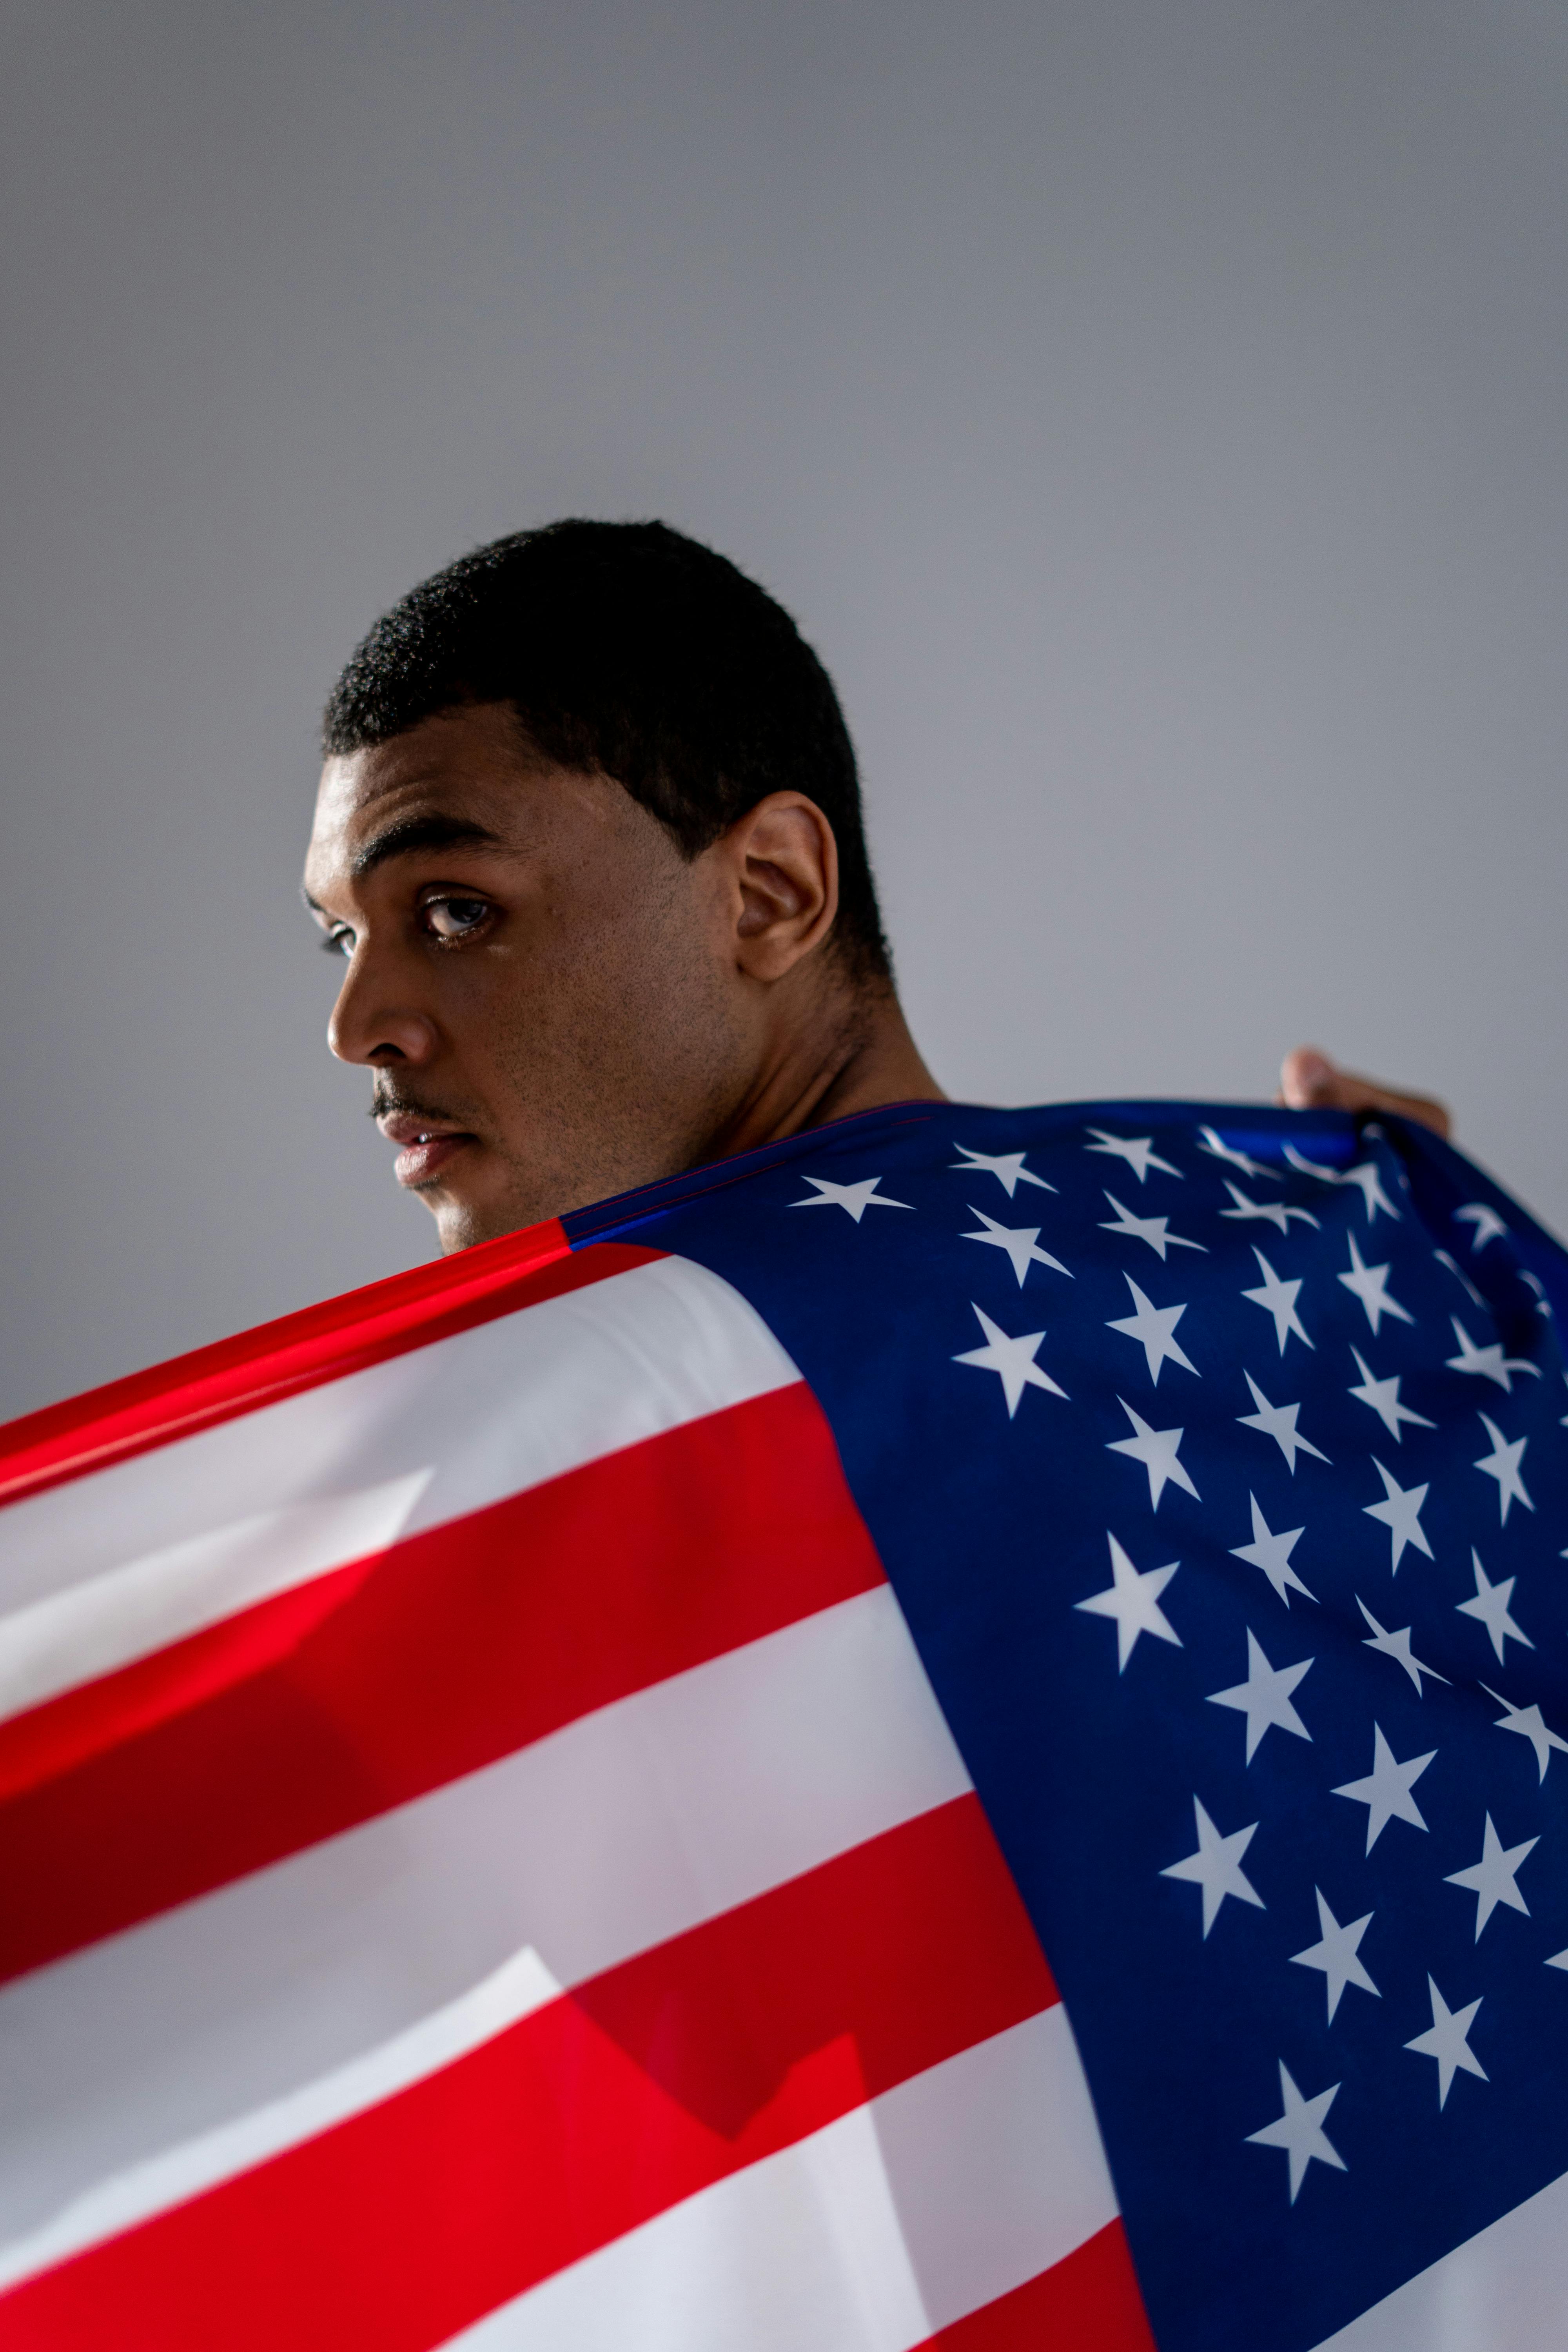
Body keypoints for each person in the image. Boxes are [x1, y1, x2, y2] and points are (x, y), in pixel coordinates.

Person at [304, 519, 1450, 1245]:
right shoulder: (548, 1446)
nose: (357, 1030)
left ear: (770, 892)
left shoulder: (1218, 1319)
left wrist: (1425, 1342)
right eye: (340, 939)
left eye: (455, 912)